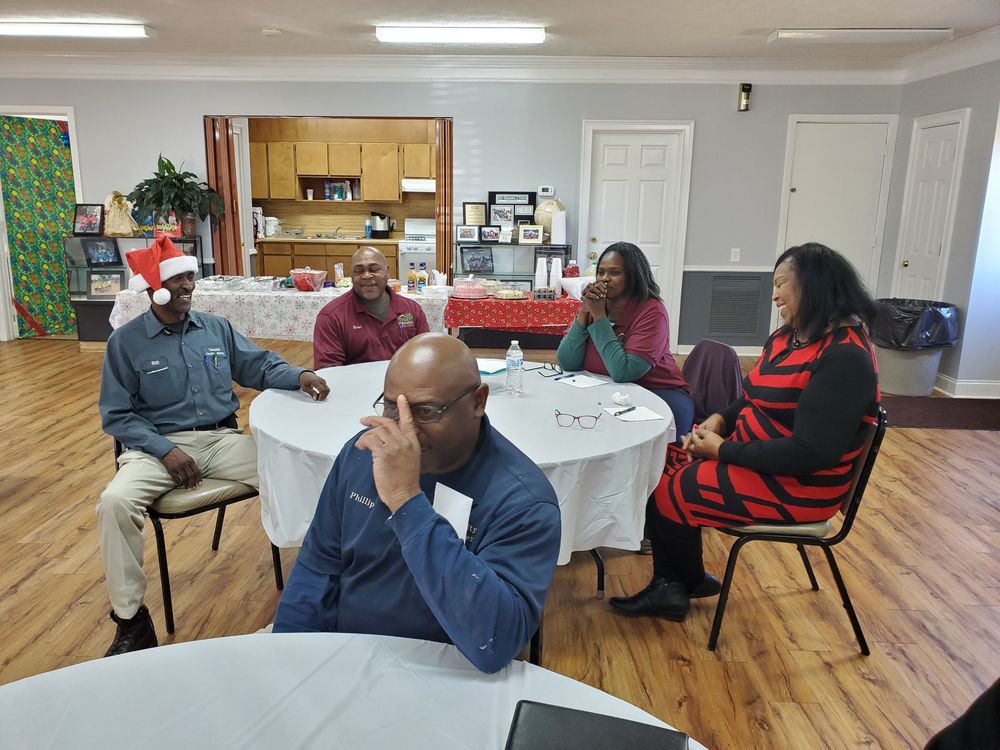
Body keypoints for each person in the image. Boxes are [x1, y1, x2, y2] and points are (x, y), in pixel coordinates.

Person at [610, 242, 880, 622]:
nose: (773, 295)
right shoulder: (790, 338)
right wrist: (720, 419)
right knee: (659, 463)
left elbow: (810, 454)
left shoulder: (845, 358)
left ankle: (672, 585)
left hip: (800, 485)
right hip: (756, 459)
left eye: (781, 284)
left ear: (815, 286)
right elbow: (751, 398)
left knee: (674, 486)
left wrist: (721, 451)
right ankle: (679, 582)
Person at [274, 333, 561, 673]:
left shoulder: (523, 501)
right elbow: (317, 568)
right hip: (347, 654)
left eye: (426, 411)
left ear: (478, 402)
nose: (403, 430)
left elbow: (493, 643)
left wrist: (407, 500)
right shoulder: (361, 454)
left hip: (451, 674)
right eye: (392, 406)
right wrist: (288, 658)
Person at [98, 237, 330, 657]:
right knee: (114, 502)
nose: (189, 285)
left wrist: (299, 375)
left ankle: (321, 584)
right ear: (155, 288)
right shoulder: (125, 342)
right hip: (156, 448)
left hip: (221, 439)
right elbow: (116, 415)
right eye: (179, 278)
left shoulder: (215, 328)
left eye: (190, 276)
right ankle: (131, 622)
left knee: (298, 473)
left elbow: (256, 365)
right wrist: (164, 450)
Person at [556, 241, 694, 439]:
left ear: (633, 276)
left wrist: (598, 315)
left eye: (614, 273)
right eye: (600, 272)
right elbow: (567, 362)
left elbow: (624, 372)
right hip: (605, 390)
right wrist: (584, 313)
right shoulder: (595, 304)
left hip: (657, 394)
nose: (604, 279)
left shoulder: (652, 311)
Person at [312, 246, 429, 369]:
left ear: (387, 272)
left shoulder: (412, 310)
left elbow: (426, 355)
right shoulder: (331, 317)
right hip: (355, 386)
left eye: (374, 269)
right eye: (358, 271)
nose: (367, 276)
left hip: (405, 384)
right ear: (351, 275)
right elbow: (329, 371)